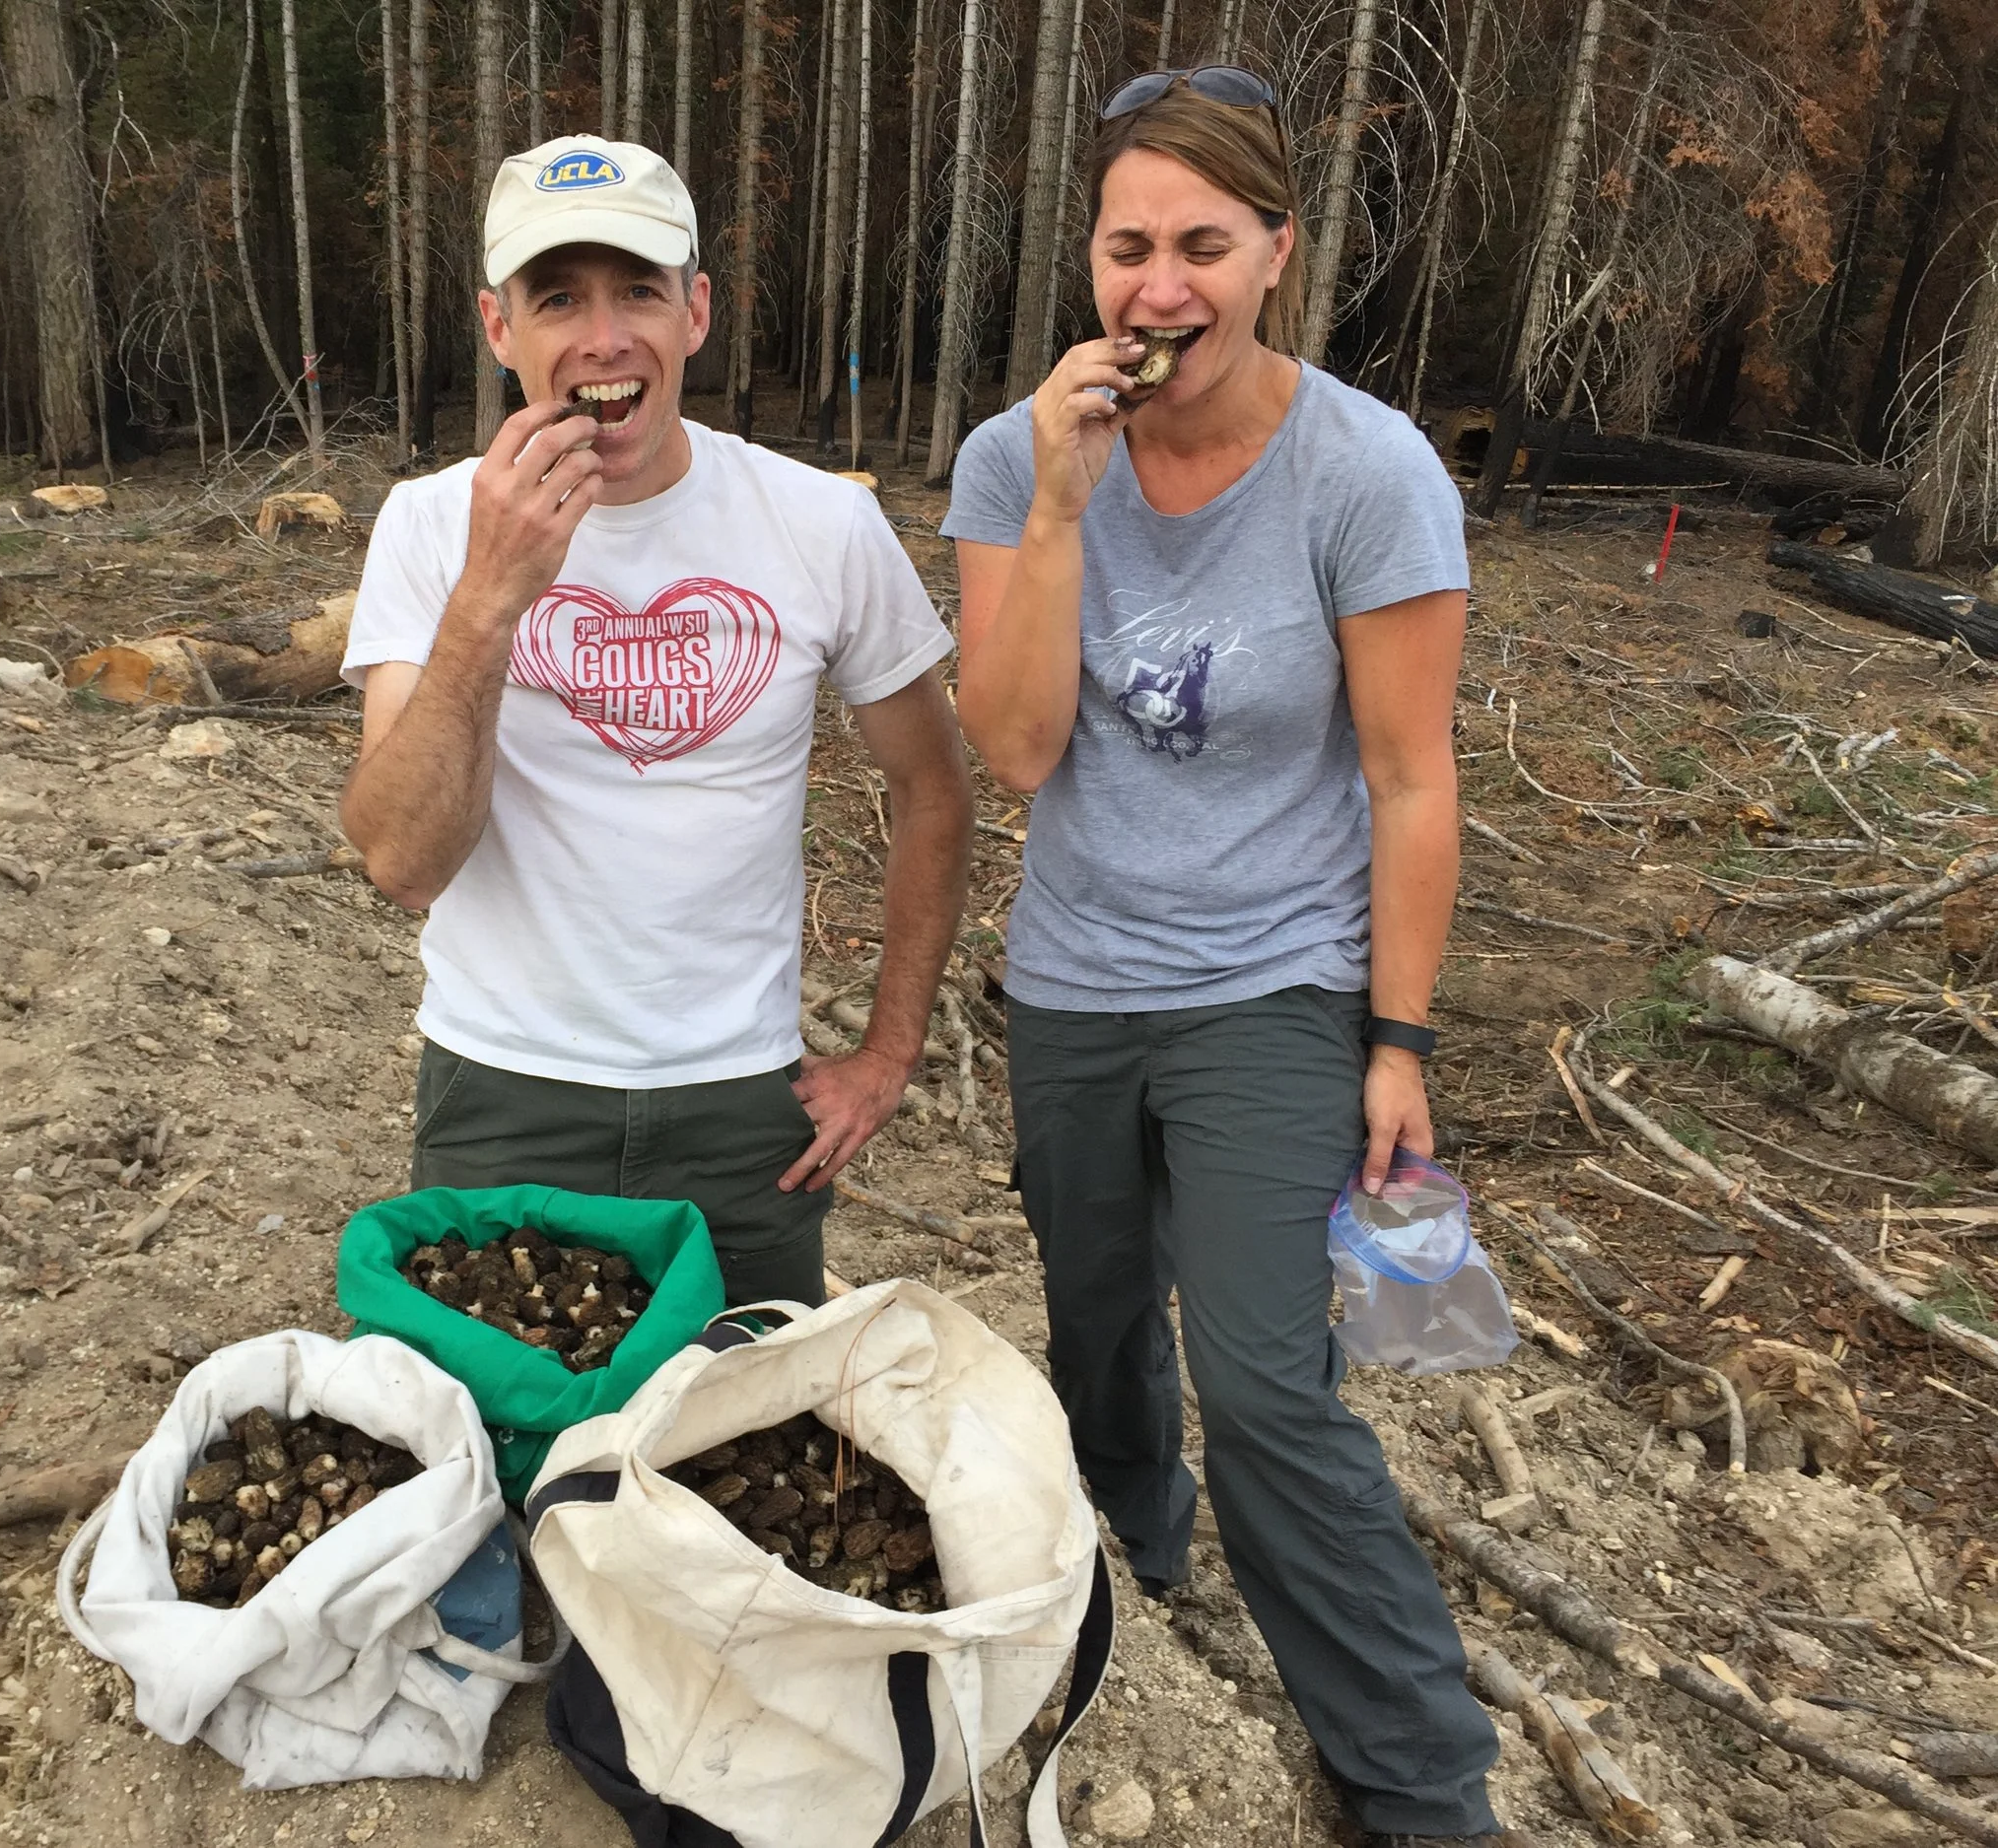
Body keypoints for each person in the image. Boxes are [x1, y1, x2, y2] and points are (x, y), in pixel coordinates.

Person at [941, 67, 1503, 1847]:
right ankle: (1140, 1585)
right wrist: (1052, 506)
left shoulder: (1368, 472)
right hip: (1081, 974)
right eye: (1129, 247)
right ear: (1089, 261)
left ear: (1277, 252)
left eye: (1202, 245)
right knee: (1098, 1328)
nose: (1159, 288)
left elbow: (1414, 779)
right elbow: (1017, 751)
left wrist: (1397, 1039)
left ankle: (1420, 1778)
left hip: (1278, 974)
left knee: (1265, 1377)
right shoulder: (1010, 456)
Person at [338, 136, 971, 1309]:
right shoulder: (431, 528)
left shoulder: (818, 525)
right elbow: (401, 860)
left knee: (736, 1463)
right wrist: (490, 597)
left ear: (697, 313)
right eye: (557, 297)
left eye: (638, 289)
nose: (603, 335)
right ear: (497, 329)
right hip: (501, 1089)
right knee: (501, 1456)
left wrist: (887, 1056)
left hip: (740, 1112)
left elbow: (934, 786)